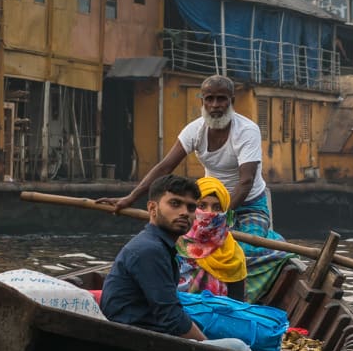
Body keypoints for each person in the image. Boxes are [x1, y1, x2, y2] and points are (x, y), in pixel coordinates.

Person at [98, 74, 293, 299]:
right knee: (183, 250)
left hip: (249, 203)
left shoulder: (246, 130)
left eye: (221, 99)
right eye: (209, 99)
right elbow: (164, 167)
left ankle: (271, 247)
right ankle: (190, 291)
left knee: (242, 251)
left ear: (232, 101)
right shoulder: (195, 130)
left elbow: (246, 180)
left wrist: (223, 216)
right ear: (202, 101)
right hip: (208, 204)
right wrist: (129, 199)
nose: (215, 105)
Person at [99, 174, 207, 339]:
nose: (185, 213)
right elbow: (172, 318)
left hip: (145, 330)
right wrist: (206, 345)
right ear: (152, 208)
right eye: (175, 203)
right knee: (237, 346)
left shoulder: (158, 246)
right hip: (133, 338)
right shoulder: (150, 250)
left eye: (191, 208)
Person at [176, 176, 247, 301]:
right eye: (202, 206)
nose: (209, 213)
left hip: (217, 317)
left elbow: (236, 303)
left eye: (217, 208)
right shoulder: (174, 244)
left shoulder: (233, 253)